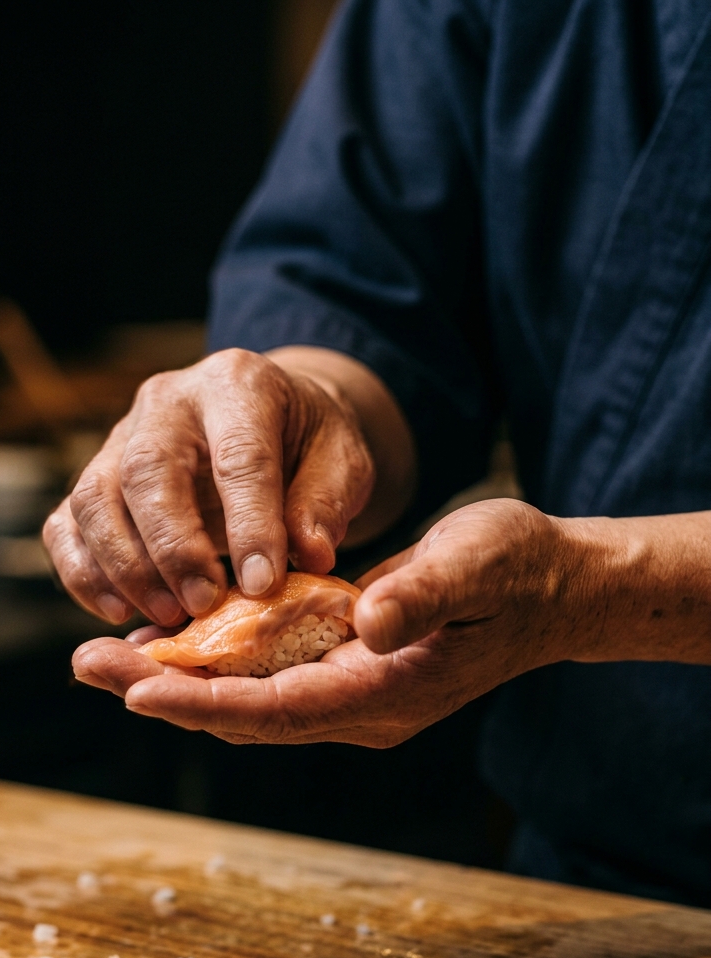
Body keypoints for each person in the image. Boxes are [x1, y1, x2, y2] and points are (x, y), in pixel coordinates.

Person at [44, 0, 711, 906]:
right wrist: (311, 403)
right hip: (597, 876)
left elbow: (582, 586)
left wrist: (592, 589)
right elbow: (366, 281)